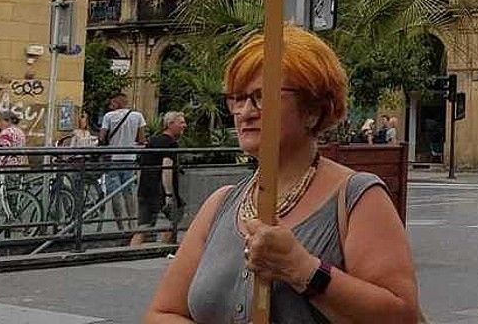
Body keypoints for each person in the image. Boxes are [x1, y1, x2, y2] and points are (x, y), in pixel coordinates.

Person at [145, 24, 420, 323]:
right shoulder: (221, 204)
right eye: (237, 98)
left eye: (262, 96)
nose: (245, 112)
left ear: (312, 109)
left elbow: (400, 315)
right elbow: (163, 312)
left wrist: (302, 269)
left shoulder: (358, 198)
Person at [133, 111, 188, 246]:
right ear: (170, 124)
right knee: (175, 217)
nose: (184, 126)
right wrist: (169, 194)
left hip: (146, 188)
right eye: (181, 122)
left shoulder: (153, 140)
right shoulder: (170, 143)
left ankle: (131, 249)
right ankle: (165, 248)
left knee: (144, 226)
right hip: (160, 190)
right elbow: (167, 168)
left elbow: (142, 164)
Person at [100, 92, 147, 232]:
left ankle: (120, 227)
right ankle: (132, 225)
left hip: (112, 160)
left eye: (112, 103)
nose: (110, 106)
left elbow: (102, 137)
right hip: (130, 159)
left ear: (116, 102)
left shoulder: (109, 116)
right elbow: (141, 139)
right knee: (129, 193)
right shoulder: (137, 116)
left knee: (115, 194)